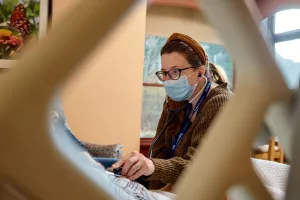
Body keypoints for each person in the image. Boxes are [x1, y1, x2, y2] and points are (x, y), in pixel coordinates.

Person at [112, 33, 233, 191]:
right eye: (165, 73)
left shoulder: (220, 102)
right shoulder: (174, 100)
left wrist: (151, 166)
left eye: (175, 72)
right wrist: (146, 188)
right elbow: (159, 153)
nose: (168, 80)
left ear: (200, 72)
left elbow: (198, 167)